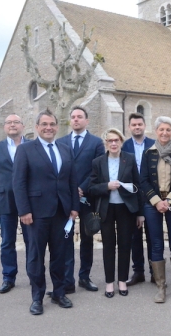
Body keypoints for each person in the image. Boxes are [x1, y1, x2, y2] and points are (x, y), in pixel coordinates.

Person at [13, 108, 79, 315]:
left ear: (57, 127)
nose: (48, 128)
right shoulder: (25, 150)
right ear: (37, 127)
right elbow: (19, 183)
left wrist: (75, 207)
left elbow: (71, 180)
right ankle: (37, 297)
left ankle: (59, 292)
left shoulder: (65, 149)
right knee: (36, 257)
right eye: (44, 124)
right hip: (36, 214)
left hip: (62, 212)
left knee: (60, 256)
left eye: (52, 124)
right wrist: (24, 210)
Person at [88, 128, 144, 298]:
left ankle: (122, 280)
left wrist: (140, 213)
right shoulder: (98, 162)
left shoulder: (130, 159)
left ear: (121, 142)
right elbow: (91, 188)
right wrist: (106, 186)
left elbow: (138, 186)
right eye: (110, 140)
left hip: (125, 208)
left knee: (125, 244)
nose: (113, 143)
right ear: (106, 143)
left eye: (116, 140)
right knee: (108, 246)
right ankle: (109, 282)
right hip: (106, 208)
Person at [55, 106, 104, 294]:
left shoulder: (96, 143)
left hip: (87, 198)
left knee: (87, 239)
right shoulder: (61, 142)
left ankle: (84, 276)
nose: (76, 119)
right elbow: (58, 169)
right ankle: (67, 280)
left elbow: (97, 170)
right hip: (66, 200)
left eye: (80, 117)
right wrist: (70, 190)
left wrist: (81, 188)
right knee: (65, 239)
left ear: (87, 121)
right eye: (73, 117)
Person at [140, 116, 171, 303]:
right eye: (161, 129)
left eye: (168, 130)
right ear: (156, 131)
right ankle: (161, 287)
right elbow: (143, 179)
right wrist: (156, 201)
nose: (165, 133)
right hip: (152, 203)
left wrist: (169, 199)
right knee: (156, 244)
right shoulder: (148, 153)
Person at [0, 114, 30, 294]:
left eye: (16, 122)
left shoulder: (31, 146)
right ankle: (8, 277)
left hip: (28, 201)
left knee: (31, 241)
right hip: (4, 202)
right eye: (9, 122)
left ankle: (34, 275)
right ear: (4, 127)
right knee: (7, 242)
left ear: (22, 126)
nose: (12, 125)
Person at [122, 113, 156, 286]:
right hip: (131, 197)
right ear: (129, 127)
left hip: (150, 195)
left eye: (140, 124)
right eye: (134, 125)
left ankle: (154, 271)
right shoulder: (124, 146)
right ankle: (138, 272)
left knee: (152, 236)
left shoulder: (154, 145)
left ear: (144, 126)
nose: (137, 127)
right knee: (135, 236)